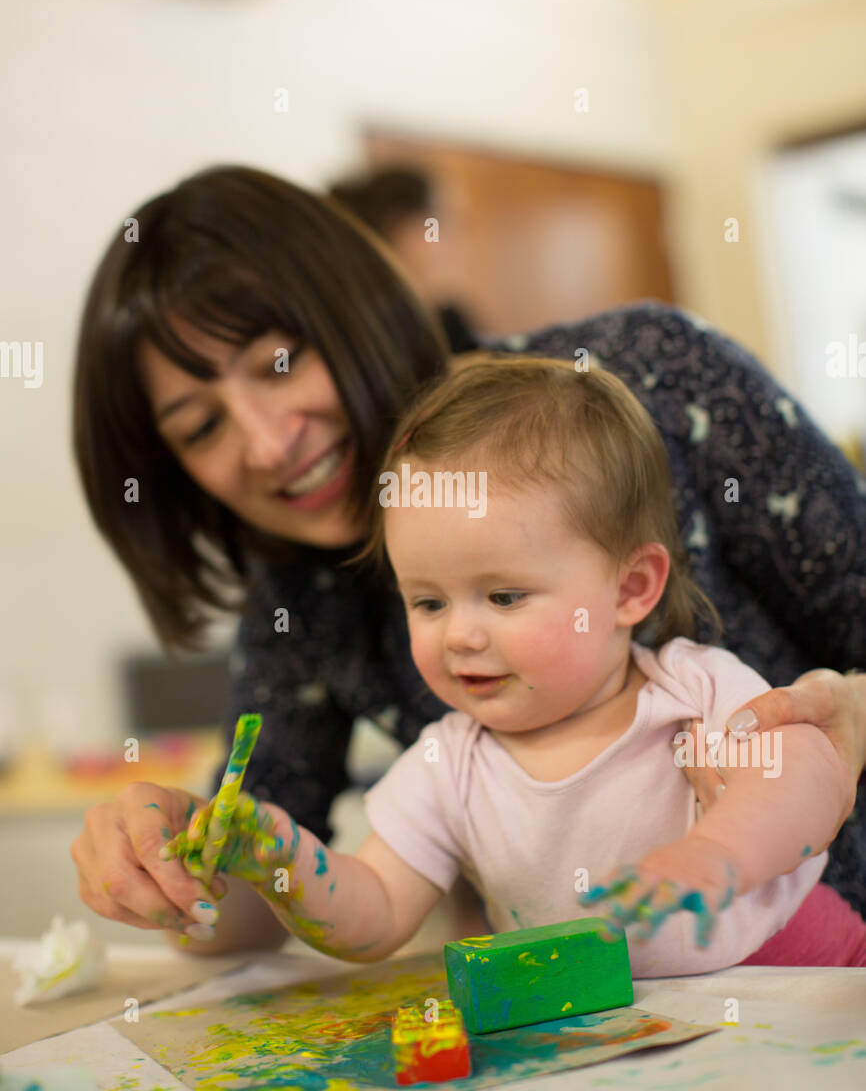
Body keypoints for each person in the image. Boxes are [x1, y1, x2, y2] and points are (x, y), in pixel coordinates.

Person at [70, 164, 866, 953]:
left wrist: (725, 844)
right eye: (201, 427)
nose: (270, 443)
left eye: (280, 363)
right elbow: (324, 904)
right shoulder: (328, 626)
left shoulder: (688, 666)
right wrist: (191, 862)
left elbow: (797, 764)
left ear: (635, 586)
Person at [162, 355, 864, 970]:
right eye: (428, 603)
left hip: (808, 977)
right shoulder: (447, 766)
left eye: (502, 596)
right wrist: (281, 864)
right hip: (627, 1042)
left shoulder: (693, 689)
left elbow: (808, 772)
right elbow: (374, 915)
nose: (460, 635)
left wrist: (716, 856)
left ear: (630, 589)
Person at [327, 165, 478, 353]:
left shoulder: (451, 323)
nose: (454, 239)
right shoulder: (357, 338)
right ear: (394, 228)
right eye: (436, 223)